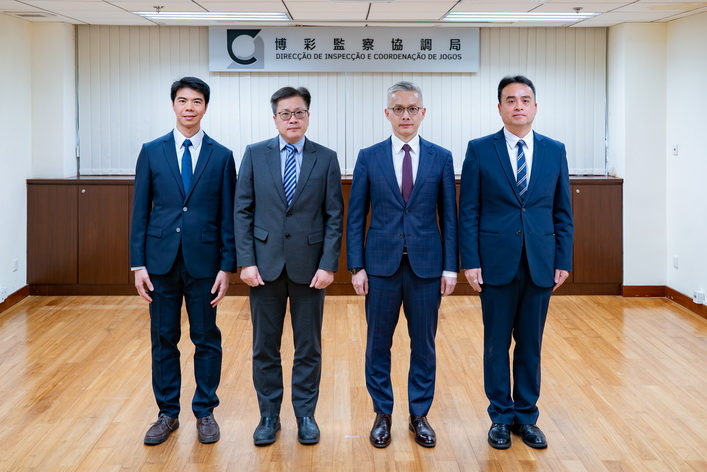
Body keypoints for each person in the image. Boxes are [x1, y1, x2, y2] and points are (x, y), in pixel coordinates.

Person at [458, 75, 574, 450]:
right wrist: (470, 261)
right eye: (510, 100)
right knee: (496, 344)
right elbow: (469, 210)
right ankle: (500, 417)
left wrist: (563, 259)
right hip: (495, 263)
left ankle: (526, 416)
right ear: (500, 108)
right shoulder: (480, 149)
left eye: (525, 100)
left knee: (530, 345)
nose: (518, 106)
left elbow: (562, 211)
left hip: (540, 262)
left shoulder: (554, 150)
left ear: (535, 106)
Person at [346, 81, 458, 448]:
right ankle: (382, 413)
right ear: (387, 113)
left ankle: (419, 414)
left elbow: (450, 217)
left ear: (423, 113)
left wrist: (451, 268)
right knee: (378, 344)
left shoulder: (441, 157)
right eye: (398, 109)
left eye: (412, 109)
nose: (405, 115)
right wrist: (356, 267)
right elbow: (356, 215)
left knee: (423, 345)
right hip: (380, 267)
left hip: (427, 267)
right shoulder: (369, 156)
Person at [234, 86, 344, 446]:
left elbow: (334, 216)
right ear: (275, 118)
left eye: (299, 113)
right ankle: (269, 416)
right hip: (263, 268)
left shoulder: (326, 158)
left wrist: (328, 264)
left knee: (308, 347)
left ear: (308, 117)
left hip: (310, 269)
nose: (292, 119)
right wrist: (246, 261)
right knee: (265, 347)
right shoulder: (254, 154)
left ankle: (305, 415)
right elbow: (242, 211)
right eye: (285, 113)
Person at [130, 77, 236, 445]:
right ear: (173, 104)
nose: (189, 107)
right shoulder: (152, 151)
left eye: (196, 101)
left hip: (205, 263)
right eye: (182, 100)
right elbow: (140, 211)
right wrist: (138, 265)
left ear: (206, 107)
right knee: (164, 338)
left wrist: (226, 266)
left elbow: (227, 215)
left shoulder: (222, 155)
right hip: (160, 263)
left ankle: (205, 411)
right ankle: (167, 413)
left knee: (206, 338)